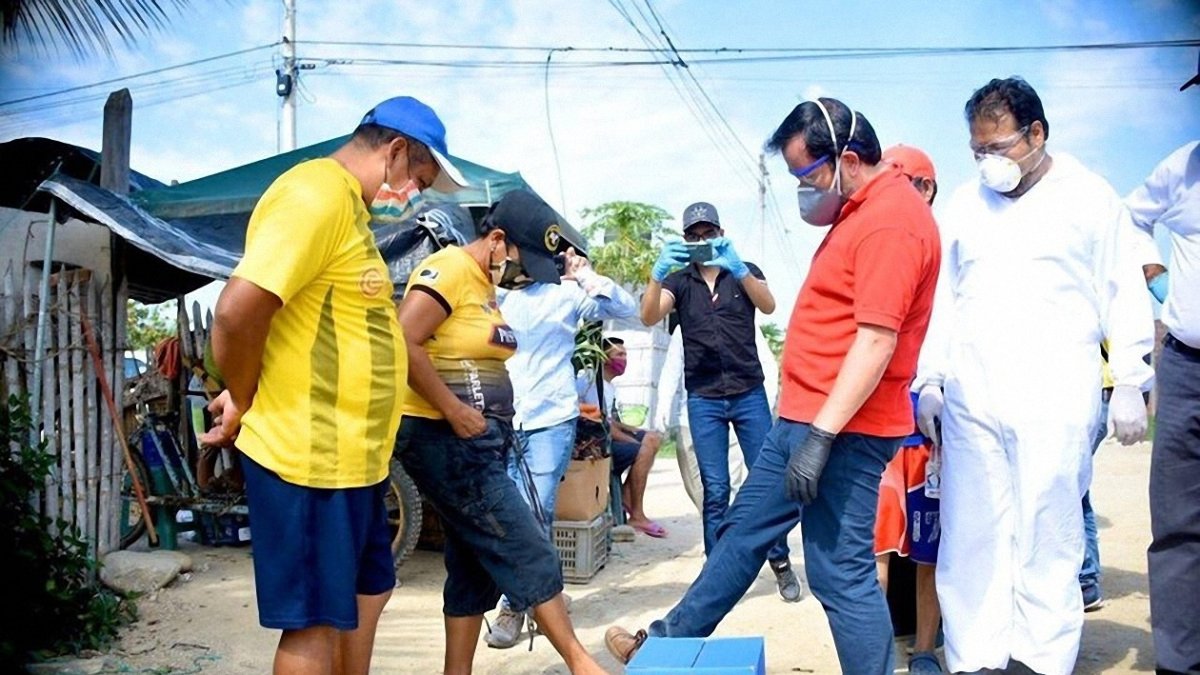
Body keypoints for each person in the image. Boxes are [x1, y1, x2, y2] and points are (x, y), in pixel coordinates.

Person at [608, 97, 941, 675]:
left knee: (840, 571)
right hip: (804, 421)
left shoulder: (891, 221)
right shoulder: (861, 212)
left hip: (842, 429)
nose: (801, 188)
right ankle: (661, 645)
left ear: (848, 160)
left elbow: (875, 342)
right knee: (741, 533)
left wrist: (821, 437)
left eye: (805, 175)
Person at [200, 95, 468, 675]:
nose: (416, 197)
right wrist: (244, 396)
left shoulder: (348, 211)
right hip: (309, 457)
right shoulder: (315, 195)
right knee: (314, 624)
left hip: (353, 460)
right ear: (395, 151)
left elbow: (299, 323)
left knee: (370, 589)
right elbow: (238, 313)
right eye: (420, 181)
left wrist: (253, 381)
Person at [913, 77, 1155, 675]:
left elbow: (1122, 287)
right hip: (973, 392)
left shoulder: (1089, 197)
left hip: (1056, 393)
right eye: (977, 151)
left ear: (1037, 133)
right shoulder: (965, 205)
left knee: (1047, 528)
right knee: (973, 532)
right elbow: (945, 299)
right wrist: (932, 378)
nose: (987, 162)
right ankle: (976, 656)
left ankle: (1041, 659)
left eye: (997, 147)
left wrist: (1130, 376)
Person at [392, 188, 606, 675]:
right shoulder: (450, 269)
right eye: (520, 259)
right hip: (446, 440)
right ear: (496, 240)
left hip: (480, 442)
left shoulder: (484, 284)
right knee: (528, 548)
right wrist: (452, 409)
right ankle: (582, 665)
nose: (521, 271)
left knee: (472, 565)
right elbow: (403, 338)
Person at [484, 197, 637, 649]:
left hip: (551, 421)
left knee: (533, 511)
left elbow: (625, 306)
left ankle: (514, 606)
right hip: (506, 420)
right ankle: (543, 590)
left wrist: (584, 274)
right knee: (518, 513)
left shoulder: (568, 296)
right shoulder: (498, 298)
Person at [639, 201, 801, 602]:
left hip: (748, 394)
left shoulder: (742, 270)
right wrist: (656, 275)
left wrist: (739, 268)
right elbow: (648, 316)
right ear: (684, 239)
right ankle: (716, 572)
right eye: (693, 235)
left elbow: (768, 305)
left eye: (708, 233)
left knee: (765, 481)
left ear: (721, 233)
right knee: (715, 488)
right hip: (705, 398)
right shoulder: (678, 281)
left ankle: (779, 560)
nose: (702, 240)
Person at [1123, 133, 1197, 672]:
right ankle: (1179, 663)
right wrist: (1153, 271)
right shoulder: (1183, 166)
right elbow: (1130, 219)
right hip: (1187, 363)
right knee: (1177, 526)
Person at [872, 144, 944, 675]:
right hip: (878, 434)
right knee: (873, 552)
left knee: (928, 553)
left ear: (927, 190)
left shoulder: (946, 251)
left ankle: (923, 651)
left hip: (928, 434)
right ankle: (872, 655)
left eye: (905, 184)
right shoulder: (875, 246)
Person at [586, 337, 665, 537]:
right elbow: (603, 425)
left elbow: (611, 420)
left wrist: (634, 431)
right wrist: (634, 441)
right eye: (619, 354)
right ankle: (637, 513)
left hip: (608, 434)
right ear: (604, 358)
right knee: (644, 448)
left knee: (653, 438)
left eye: (625, 354)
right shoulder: (594, 384)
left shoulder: (609, 386)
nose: (624, 359)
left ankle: (627, 495)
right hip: (597, 443)